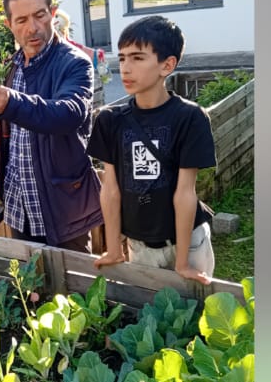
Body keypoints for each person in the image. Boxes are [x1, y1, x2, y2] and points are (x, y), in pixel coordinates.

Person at [0, 0, 103, 253]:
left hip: (63, 207)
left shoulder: (74, 63)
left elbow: (70, 113)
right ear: (9, 25)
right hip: (21, 206)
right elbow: (11, 132)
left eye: (40, 15)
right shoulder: (11, 67)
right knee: (32, 289)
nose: (33, 28)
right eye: (22, 20)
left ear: (52, 14)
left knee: (76, 291)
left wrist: (10, 102)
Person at [89, 14, 216, 282]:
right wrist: (113, 248)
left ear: (167, 65)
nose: (125, 68)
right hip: (140, 244)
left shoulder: (190, 117)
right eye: (122, 58)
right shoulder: (109, 120)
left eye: (137, 58)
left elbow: (185, 193)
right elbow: (110, 189)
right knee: (151, 315)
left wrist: (182, 262)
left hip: (189, 242)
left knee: (196, 314)